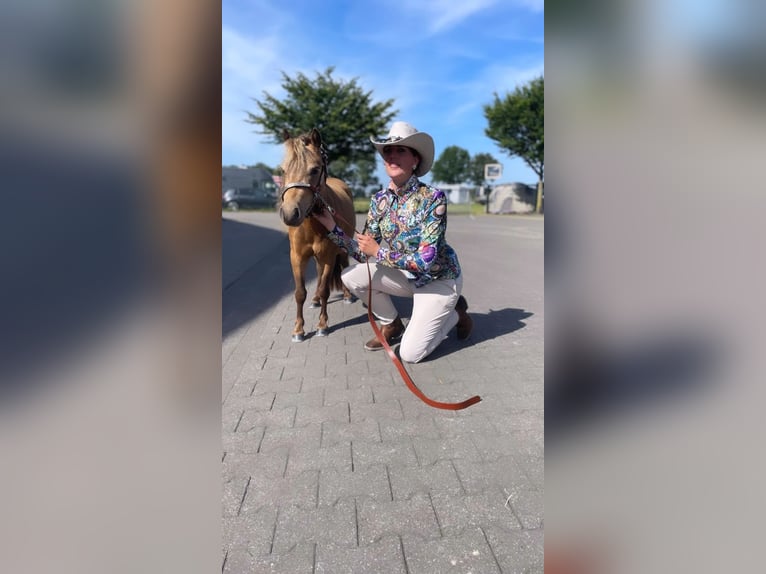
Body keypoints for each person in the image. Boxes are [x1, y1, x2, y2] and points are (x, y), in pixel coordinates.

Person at [313, 121, 473, 363]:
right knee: (350, 276)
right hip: (406, 277)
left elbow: (425, 261)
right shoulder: (379, 201)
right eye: (388, 151)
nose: (392, 155)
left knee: (410, 354)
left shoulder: (433, 198)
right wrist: (330, 226)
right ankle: (392, 324)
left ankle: (455, 315)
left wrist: (378, 252)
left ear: (415, 160)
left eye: (401, 150)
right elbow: (362, 253)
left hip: (438, 280)